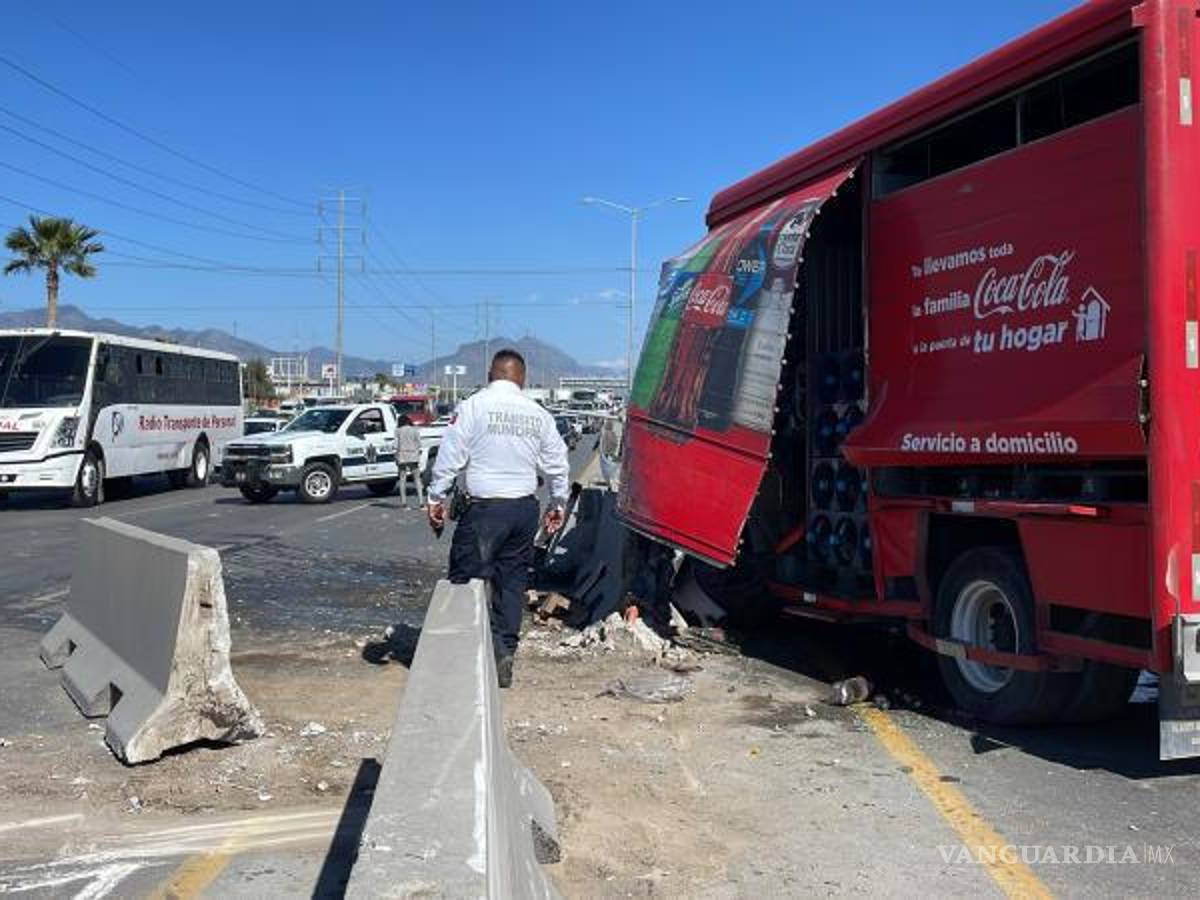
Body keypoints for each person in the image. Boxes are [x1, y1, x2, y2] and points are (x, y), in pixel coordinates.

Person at [427, 349, 569, 687]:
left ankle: (463, 656)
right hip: (523, 510)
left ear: (491, 375)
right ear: (522, 378)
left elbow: (451, 454)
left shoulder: (474, 406)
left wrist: (436, 497)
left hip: (484, 510)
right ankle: (504, 650)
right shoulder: (538, 414)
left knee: (465, 580)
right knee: (512, 583)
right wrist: (558, 504)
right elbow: (557, 463)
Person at [395, 414, 424, 508]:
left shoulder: (397, 431)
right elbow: (419, 443)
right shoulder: (414, 430)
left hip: (402, 456)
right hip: (413, 456)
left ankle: (404, 503)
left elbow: (396, 445)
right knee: (417, 479)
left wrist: (396, 457)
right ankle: (421, 502)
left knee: (402, 480)